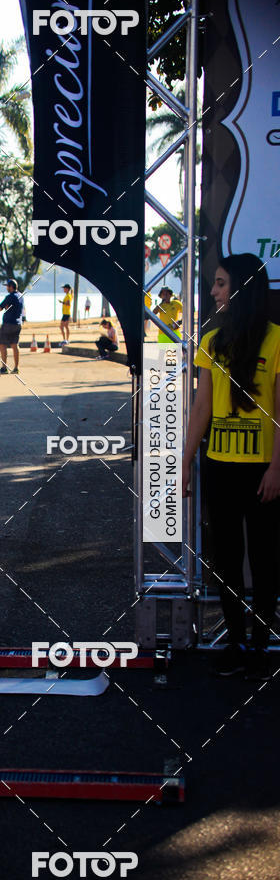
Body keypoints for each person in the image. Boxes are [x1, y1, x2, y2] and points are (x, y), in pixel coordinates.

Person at [183, 254, 280, 680]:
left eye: (221, 284)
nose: (214, 291)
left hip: (263, 470)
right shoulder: (211, 340)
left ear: (241, 288)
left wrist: (277, 469)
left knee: (264, 560)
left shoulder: (277, 339)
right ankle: (236, 642)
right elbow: (201, 407)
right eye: (214, 284)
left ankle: (260, 645)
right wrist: (185, 462)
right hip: (218, 468)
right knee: (225, 559)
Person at [0, 278, 24, 374]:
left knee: (2, 345)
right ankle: (16, 367)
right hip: (17, 324)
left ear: (11, 287)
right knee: (14, 345)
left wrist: (6, 307)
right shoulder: (21, 296)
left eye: (7, 286)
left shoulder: (9, 296)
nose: (6, 288)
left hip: (8, 324)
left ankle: (4, 367)